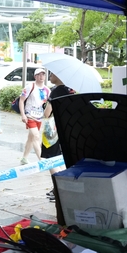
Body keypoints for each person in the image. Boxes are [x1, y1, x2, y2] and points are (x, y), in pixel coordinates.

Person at [41, 72, 74, 202]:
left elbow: (47, 113)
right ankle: (61, 187)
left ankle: (60, 188)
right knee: (60, 159)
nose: (50, 76)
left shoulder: (57, 91)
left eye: (52, 74)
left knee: (50, 160)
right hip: (66, 127)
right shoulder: (70, 90)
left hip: (53, 129)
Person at [19, 68, 50, 165]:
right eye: (39, 75)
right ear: (35, 76)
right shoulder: (30, 86)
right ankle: (42, 159)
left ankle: (24, 158)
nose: (41, 77)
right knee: (36, 136)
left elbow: (48, 104)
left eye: (43, 75)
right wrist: (23, 115)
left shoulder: (47, 90)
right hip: (29, 115)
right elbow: (21, 100)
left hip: (39, 117)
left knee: (31, 138)